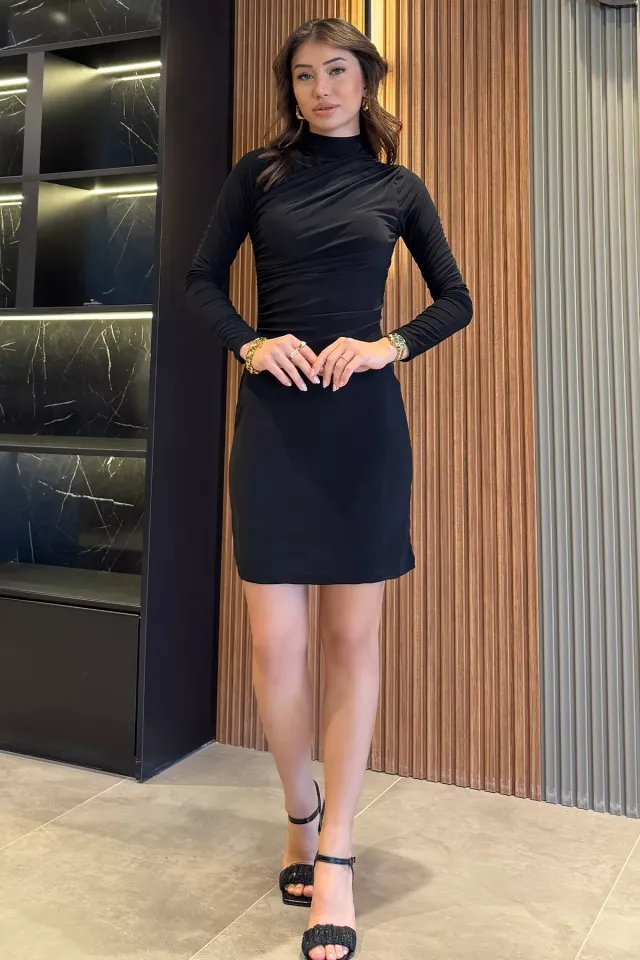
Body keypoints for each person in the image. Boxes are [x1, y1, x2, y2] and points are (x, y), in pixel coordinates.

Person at [186, 17, 472, 960]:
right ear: (292, 87)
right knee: (276, 644)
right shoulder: (257, 176)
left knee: (352, 642)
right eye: (305, 75)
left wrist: (389, 346)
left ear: (365, 79)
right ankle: (299, 811)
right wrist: (251, 344)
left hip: (363, 431)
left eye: (336, 71)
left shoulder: (399, 187)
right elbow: (200, 282)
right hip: (274, 425)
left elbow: (455, 299)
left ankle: (336, 851)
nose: (321, 89)